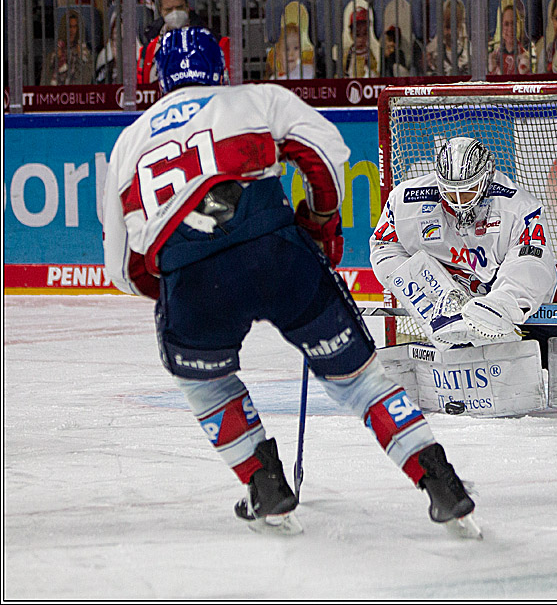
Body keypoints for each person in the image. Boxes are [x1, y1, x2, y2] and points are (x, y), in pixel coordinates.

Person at [102, 27, 478, 537]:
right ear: (222, 66)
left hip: (192, 280)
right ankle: (440, 481)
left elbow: (123, 269)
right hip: (277, 253)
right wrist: (322, 224)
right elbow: (326, 152)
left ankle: (264, 483)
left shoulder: (129, 142)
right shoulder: (255, 99)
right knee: (361, 382)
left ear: (156, 76)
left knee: (206, 386)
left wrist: (177, 283)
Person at [369, 136, 557, 360]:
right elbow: (384, 247)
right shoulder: (405, 201)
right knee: (488, 381)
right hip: (463, 308)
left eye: (468, 190)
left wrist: (503, 304)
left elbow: (532, 263)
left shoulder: (518, 206)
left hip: (538, 306)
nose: (459, 201)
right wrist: (430, 295)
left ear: (486, 177)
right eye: (450, 192)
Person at [137, 0, 232, 85]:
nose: (175, 13)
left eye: (179, 8)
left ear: (187, 7)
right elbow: (143, 87)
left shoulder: (215, 42)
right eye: (169, 10)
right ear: (161, 11)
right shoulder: (149, 49)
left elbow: (228, 80)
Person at [264, 1, 316, 80]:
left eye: (296, 48)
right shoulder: (274, 80)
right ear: (278, 51)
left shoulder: (308, 72)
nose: (291, 54)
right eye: (286, 49)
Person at [42, 9, 95, 85]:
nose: (71, 31)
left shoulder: (85, 54)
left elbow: (87, 79)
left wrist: (80, 59)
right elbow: (45, 80)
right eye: (69, 27)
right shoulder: (54, 54)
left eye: (74, 27)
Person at [487, 0, 535, 75]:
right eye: (506, 24)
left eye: (513, 24)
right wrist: (492, 70)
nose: (510, 29)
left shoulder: (528, 52)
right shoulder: (493, 54)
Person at [426, 0, 471, 75]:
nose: (450, 32)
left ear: (461, 25)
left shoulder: (470, 52)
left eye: (455, 27)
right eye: (447, 27)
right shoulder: (432, 51)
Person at [341, 0, 381, 77]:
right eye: (358, 35)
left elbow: (374, 68)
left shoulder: (368, 53)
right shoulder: (348, 53)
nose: (361, 39)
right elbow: (343, 70)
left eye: (365, 34)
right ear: (351, 35)